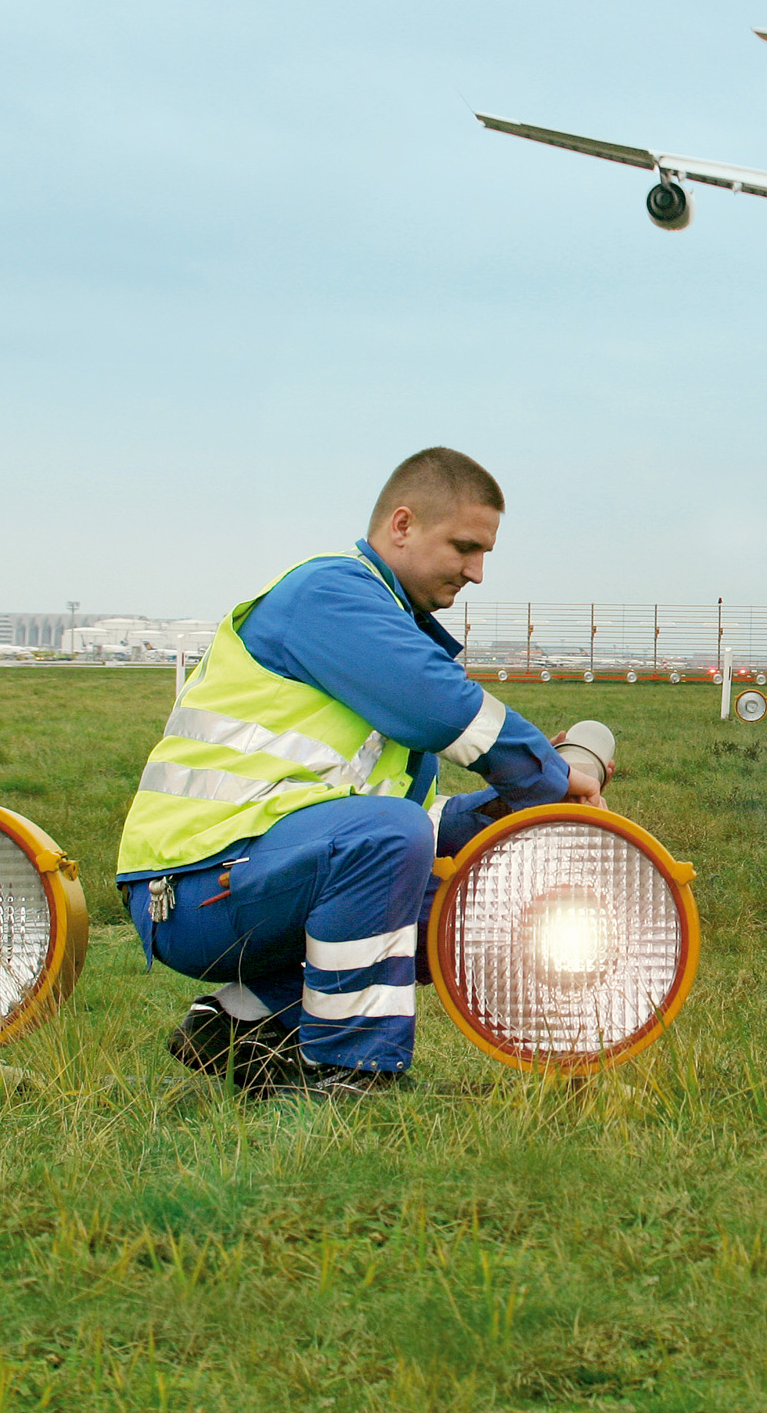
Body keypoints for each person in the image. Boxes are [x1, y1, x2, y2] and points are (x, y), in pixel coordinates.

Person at [114, 447, 601, 1098]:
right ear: (401, 525)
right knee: (389, 835)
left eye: (484, 553)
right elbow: (434, 709)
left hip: (254, 873)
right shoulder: (331, 594)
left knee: (465, 903)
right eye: (464, 546)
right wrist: (545, 774)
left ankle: (242, 1023)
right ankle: (348, 1074)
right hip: (188, 888)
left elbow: (379, 825)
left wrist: (493, 813)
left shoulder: (390, 629)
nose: (478, 572)